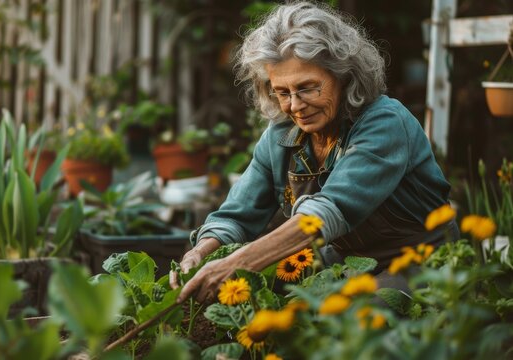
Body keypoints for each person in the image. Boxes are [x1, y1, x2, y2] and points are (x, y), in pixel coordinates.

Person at [169, 1, 458, 303]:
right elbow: (237, 216)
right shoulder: (281, 136)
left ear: (344, 77)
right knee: (254, 295)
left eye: (307, 88)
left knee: (348, 318)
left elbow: (327, 212)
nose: (294, 106)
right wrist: (202, 253)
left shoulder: (384, 123)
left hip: (421, 263)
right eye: (282, 92)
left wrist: (233, 265)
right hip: (347, 263)